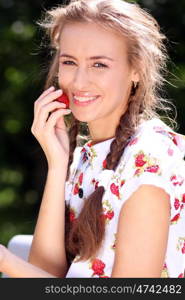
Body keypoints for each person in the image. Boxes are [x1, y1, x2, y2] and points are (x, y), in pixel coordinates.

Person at [0, 0, 185, 278]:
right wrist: (58, 165)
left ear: (136, 70)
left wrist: (6, 262)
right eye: (69, 62)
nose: (79, 81)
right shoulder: (87, 157)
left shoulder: (149, 163)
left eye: (99, 64)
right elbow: (44, 274)